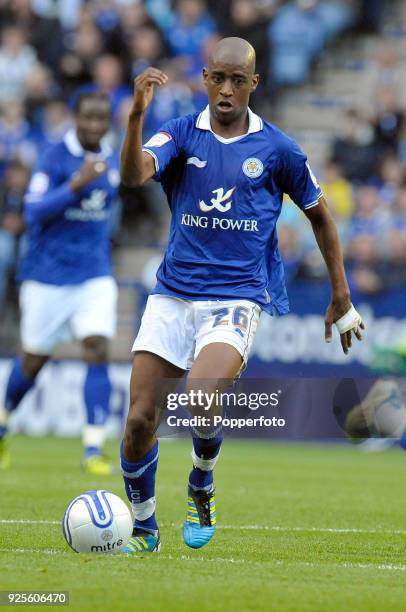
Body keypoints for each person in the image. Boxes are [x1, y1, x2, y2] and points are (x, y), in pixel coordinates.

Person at [119, 37, 364, 554]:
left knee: (201, 398)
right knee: (141, 418)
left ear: (255, 84)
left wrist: (341, 295)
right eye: (218, 78)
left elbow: (321, 216)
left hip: (236, 297)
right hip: (173, 295)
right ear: (205, 78)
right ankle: (143, 526)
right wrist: (135, 117)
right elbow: (133, 176)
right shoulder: (182, 134)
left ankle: (201, 480)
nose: (226, 90)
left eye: (238, 81)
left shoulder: (279, 150)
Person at [0, 92, 120, 475]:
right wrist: (75, 185)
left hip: (94, 273)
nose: (94, 126)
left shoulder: (112, 157)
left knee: (98, 347)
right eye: (87, 118)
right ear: (75, 118)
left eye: (101, 119)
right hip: (48, 276)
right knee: (34, 359)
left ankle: (92, 449)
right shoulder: (54, 156)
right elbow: (32, 211)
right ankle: (3, 421)